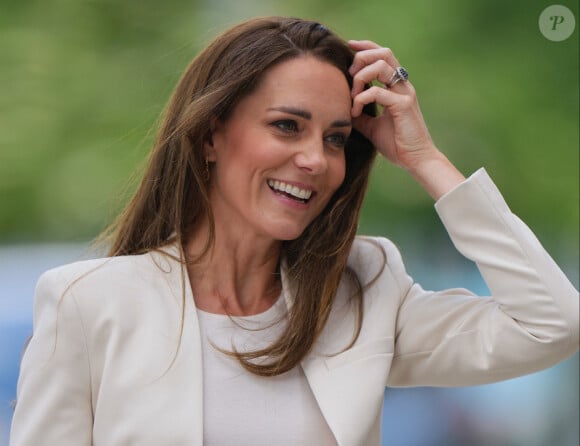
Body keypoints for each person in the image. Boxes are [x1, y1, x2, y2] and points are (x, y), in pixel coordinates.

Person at [10, 16, 579, 446]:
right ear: (211, 135)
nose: (315, 160)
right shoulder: (90, 302)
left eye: (335, 138)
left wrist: (424, 157)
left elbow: (553, 324)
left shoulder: (364, 289)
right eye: (287, 126)